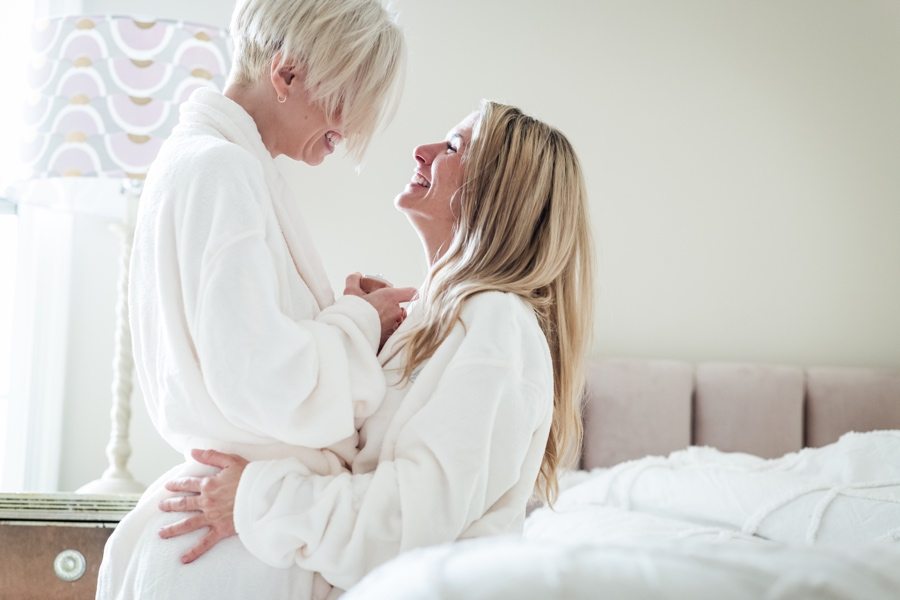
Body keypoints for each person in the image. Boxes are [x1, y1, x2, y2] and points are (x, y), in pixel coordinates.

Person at [157, 101, 595, 597]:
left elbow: (410, 522)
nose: (422, 151)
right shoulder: (443, 323)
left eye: (453, 148)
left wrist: (255, 499)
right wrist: (362, 337)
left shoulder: (497, 323)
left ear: (499, 194)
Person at [96, 0, 407, 598]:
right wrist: (359, 321)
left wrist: (338, 315)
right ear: (286, 75)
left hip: (237, 521)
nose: (352, 124)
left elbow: (234, 346)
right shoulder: (223, 171)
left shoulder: (204, 163)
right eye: (345, 96)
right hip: (238, 551)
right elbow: (261, 376)